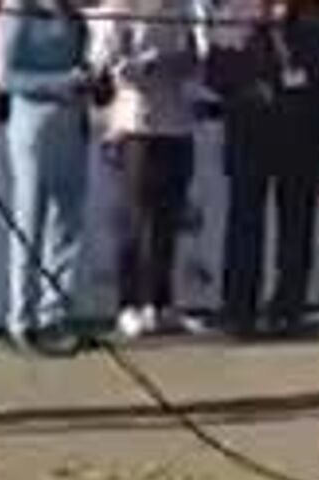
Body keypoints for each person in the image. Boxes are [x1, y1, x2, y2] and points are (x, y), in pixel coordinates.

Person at [206, 0, 319, 338]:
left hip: (299, 143)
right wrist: (248, 88)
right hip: (251, 140)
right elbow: (216, 75)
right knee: (245, 226)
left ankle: (288, 307)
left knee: (296, 228)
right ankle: (239, 309)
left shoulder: (310, 30)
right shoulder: (234, 24)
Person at [90, 0, 203, 340]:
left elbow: (195, 59)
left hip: (177, 125)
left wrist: (180, 63)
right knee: (135, 220)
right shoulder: (121, 9)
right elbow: (107, 68)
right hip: (135, 127)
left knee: (167, 221)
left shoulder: (181, 9)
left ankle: (161, 303)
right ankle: (129, 305)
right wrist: (145, 64)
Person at [0, 0, 97, 355]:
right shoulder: (17, 10)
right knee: (30, 222)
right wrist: (63, 81)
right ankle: (21, 319)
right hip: (34, 127)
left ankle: (56, 315)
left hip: (73, 124)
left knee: (67, 223)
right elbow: (4, 76)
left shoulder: (71, 13)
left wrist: (90, 80)